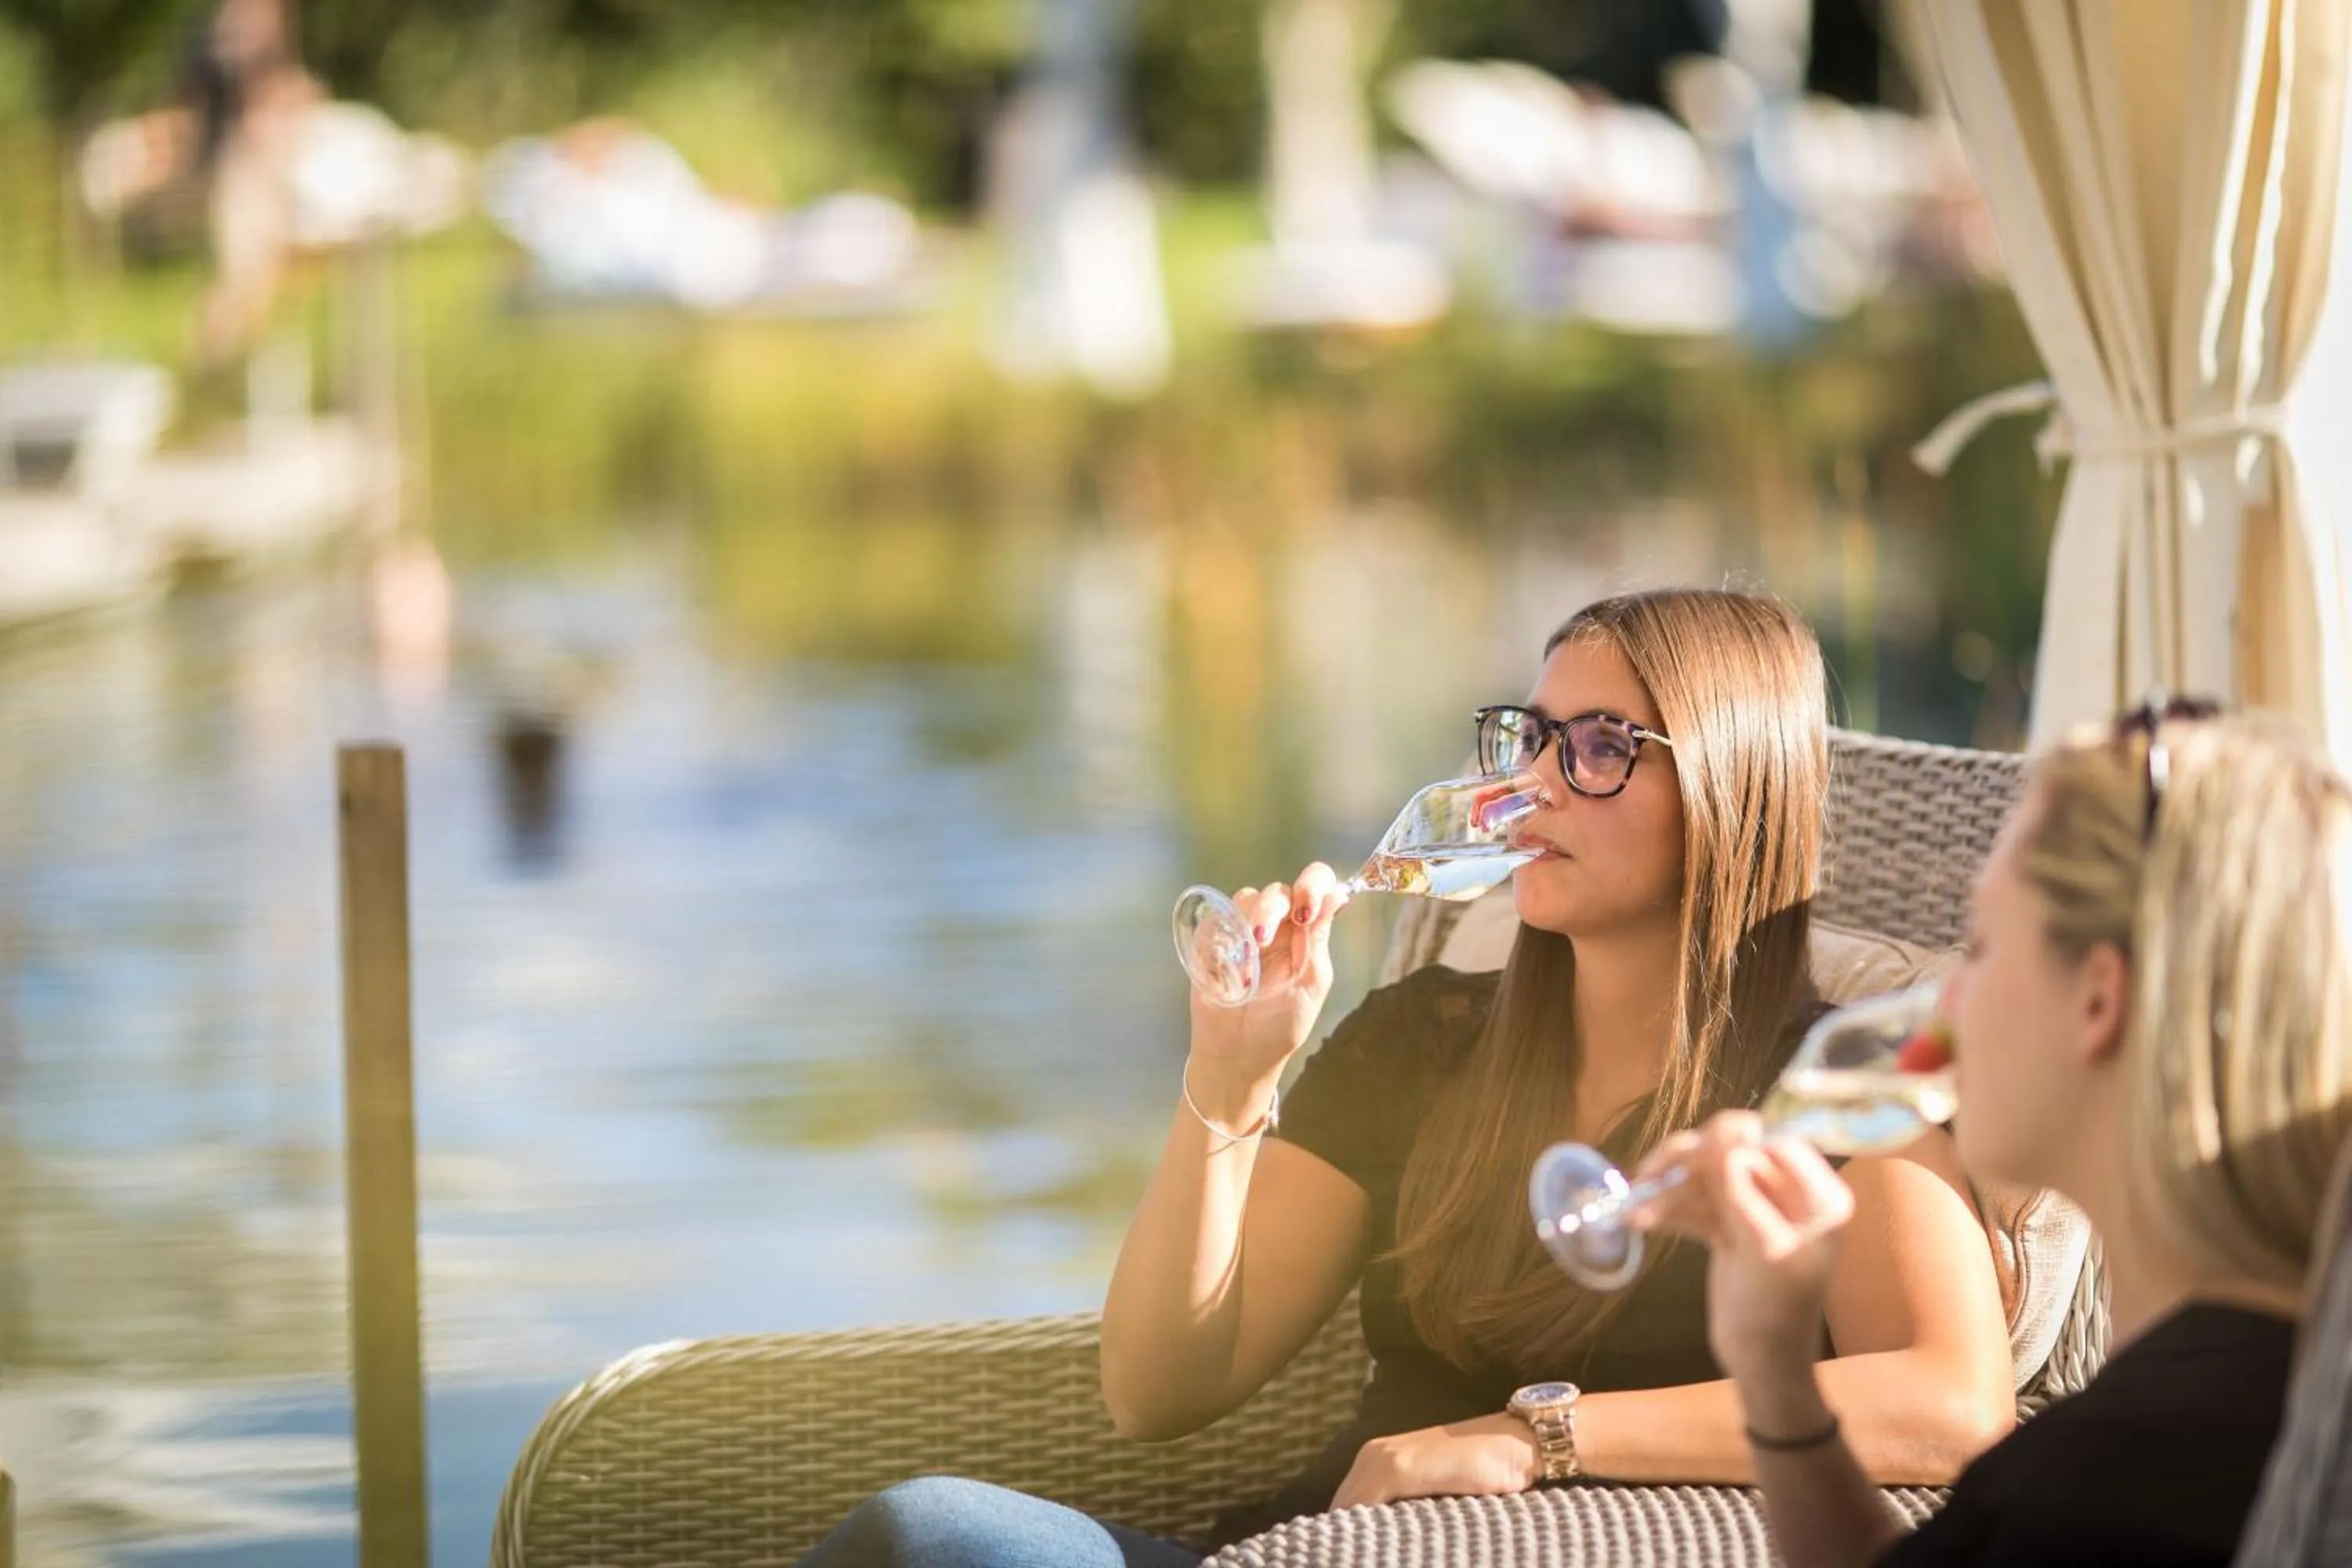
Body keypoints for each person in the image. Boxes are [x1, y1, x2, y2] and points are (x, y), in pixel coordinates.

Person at [797, 587, 2014, 1566]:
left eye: (1599, 748)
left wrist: (1536, 1439)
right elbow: (1159, 1390)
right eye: (1528, 739)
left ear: (1730, 788)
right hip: (1305, 1551)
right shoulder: (1422, 1043)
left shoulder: (1829, 1093)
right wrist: (1227, 1083)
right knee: (932, 1536)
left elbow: (1953, 1404)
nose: (1533, 782)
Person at [1635, 699, 2352, 1566]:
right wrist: (1777, 1377)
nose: (1945, 1006)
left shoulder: (2096, 1494)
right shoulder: (2277, 1392)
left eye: (1979, 947)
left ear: (2098, 999)